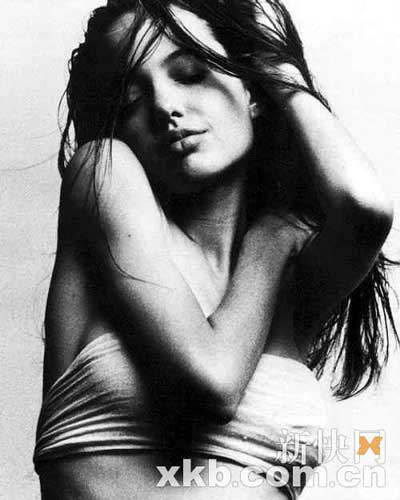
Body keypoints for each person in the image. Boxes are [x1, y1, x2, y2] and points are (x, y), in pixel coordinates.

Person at [33, 0, 398, 498]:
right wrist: (270, 241)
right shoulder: (102, 173)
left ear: (252, 92)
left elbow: (365, 208)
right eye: (131, 100)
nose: (164, 106)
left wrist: (280, 73)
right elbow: (214, 383)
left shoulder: (286, 282)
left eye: (191, 73)